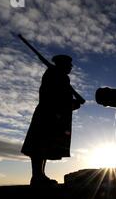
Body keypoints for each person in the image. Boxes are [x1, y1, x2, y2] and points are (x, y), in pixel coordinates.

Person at [21, 55, 81, 186]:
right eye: (68, 65)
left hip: (54, 115)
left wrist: (72, 104)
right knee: (39, 146)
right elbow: (52, 98)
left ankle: (40, 175)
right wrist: (72, 104)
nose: (71, 67)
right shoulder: (53, 75)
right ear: (62, 65)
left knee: (45, 146)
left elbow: (62, 98)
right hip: (47, 115)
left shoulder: (63, 78)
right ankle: (37, 176)